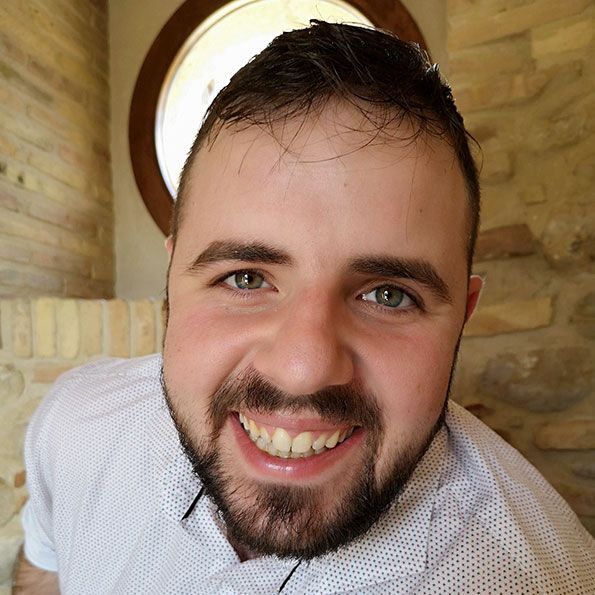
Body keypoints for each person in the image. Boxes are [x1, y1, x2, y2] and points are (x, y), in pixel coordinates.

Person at [14, 20, 595, 595]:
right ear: (173, 283)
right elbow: (44, 570)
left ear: (462, 317)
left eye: (389, 295)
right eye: (245, 278)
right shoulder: (76, 425)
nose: (303, 369)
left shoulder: (537, 580)